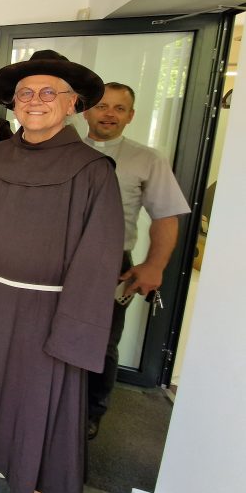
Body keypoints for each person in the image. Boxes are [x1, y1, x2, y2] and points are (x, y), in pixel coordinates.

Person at [0, 50, 124, 493]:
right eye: (26, 93)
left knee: (42, 401)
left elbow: (99, 259)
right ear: (13, 105)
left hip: (51, 312)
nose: (35, 101)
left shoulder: (92, 170)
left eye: (49, 93)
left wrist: (75, 330)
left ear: (72, 104)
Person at [82, 82, 190, 440]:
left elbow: (166, 216)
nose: (109, 114)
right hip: (58, 261)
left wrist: (154, 264)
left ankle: (90, 413)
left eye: (118, 108)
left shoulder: (147, 159)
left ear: (130, 115)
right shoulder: (67, 150)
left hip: (113, 263)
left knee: (102, 342)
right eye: (102, 106)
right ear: (86, 111)